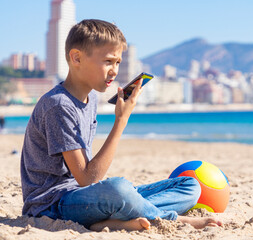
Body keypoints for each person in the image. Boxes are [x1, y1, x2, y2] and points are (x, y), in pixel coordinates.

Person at [20, 19, 222, 231]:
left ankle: (113, 220)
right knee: (119, 189)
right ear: (76, 57)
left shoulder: (90, 100)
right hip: (51, 205)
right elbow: (87, 178)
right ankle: (168, 218)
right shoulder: (59, 105)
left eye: (117, 63)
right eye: (108, 61)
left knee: (189, 186)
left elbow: (88, 182)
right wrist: (121, 120)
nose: (114, 70)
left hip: (83, 196)